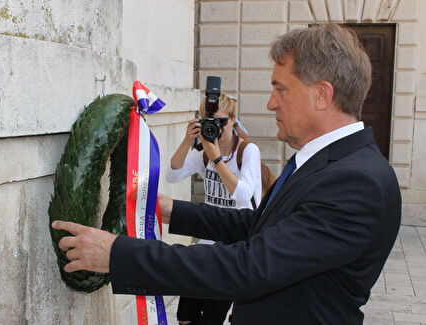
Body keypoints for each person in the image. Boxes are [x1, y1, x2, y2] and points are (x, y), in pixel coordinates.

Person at [51, 24, 401, 324]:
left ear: (322, 94)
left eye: (280, 88)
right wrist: (171, 210)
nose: (270, 103)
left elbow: (249, 267)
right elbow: (257, 228)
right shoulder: (327, 162)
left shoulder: (357, 181)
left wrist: (118, 253)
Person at [166, 94, 261, 324]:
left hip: (235, 245)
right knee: (185, 316)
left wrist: (217, 158)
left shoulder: (248, 151)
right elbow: (172, 174)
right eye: (211, 122)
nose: (217, 128)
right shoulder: (204, 154)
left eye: (222, 122)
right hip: (208, 241)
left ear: (233, 120)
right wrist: (189, 141)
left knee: (213, 317)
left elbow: (242, 194)